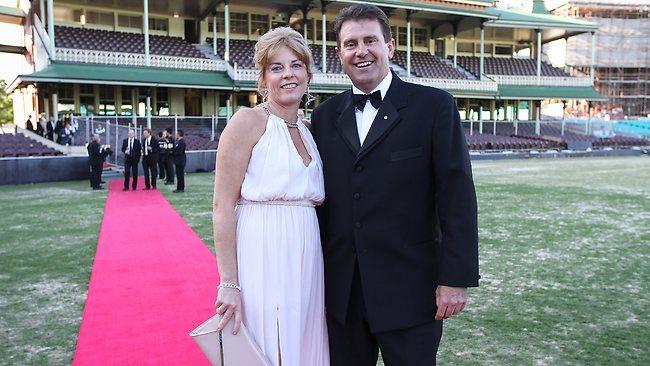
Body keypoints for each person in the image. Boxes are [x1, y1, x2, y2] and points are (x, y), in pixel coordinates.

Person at [311, 5, 479, 365]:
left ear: (390, 45)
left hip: (412, 291)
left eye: (370, 40)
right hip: (342, 295)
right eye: (350, 43)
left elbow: (457, 196)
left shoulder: (435, 106)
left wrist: (455, 278)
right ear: (339, 53)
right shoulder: (323, 117)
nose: (361, 51)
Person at [212, 26, 328, 366]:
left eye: (296, 65)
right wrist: (229, 282)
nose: (287, 74)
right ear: (263, 78)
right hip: (262, 249)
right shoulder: (247, 121)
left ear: (308, 73)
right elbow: (221, 206)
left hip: (307, 255)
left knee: (303, 339)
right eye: (276, 67)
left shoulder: (309, 131)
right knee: (268, 344)